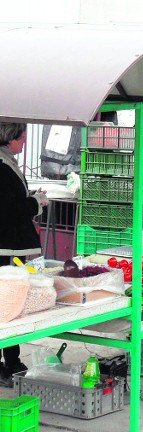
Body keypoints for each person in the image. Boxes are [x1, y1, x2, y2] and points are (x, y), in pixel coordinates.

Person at [0, 122, 48, 387]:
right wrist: (35, 202)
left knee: (10, 305)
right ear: (10, 139)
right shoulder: (3, 167)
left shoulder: (8, 163)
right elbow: (9, 210)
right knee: (8, 305)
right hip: (7, 249)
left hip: (11, 247)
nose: (25, 143)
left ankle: (12, 360)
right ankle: (10, 362)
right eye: (22, 138)